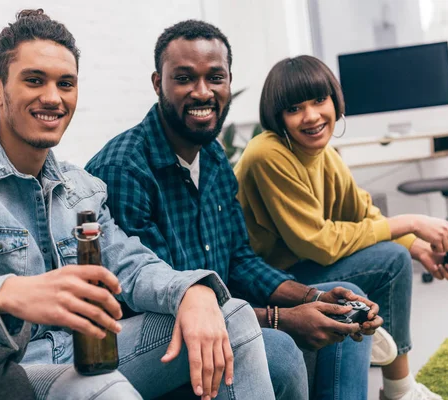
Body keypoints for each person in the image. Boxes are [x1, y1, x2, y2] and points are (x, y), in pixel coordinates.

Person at [0, 10, 279, 400]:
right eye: (34, 80)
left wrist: (190, 291)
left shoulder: (83, 189)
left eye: (66, 83)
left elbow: (131, 265)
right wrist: (8, 293)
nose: (52, 97)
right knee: (104, 388)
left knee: (233, 315)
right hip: (6, 370)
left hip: (85, 351)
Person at [86, 20, 382, 400]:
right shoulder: (124, 170)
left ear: (228, 82)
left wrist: (310, 299)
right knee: (279, 351)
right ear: (158, 84)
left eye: (215, 77)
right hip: (155, 342)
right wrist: (281, 320)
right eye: (184, 78)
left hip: (222, 312)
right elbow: (160, 301)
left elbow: (239, 260)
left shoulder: (211, 154)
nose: (202, 92)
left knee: (343, 304)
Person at [233, 55, 448, 400]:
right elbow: (318, 243)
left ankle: (398, 388)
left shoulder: (324, 154)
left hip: (296, 269)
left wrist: (417, 247)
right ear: (278, 116)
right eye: (295, 108)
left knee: (396, 255)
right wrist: (414, 222)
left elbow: (361, 212)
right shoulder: (267, 154)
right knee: (389, 259)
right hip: (270, 285)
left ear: (334, 100)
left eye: (319, 100)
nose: (312, 115)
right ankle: (400, 390)